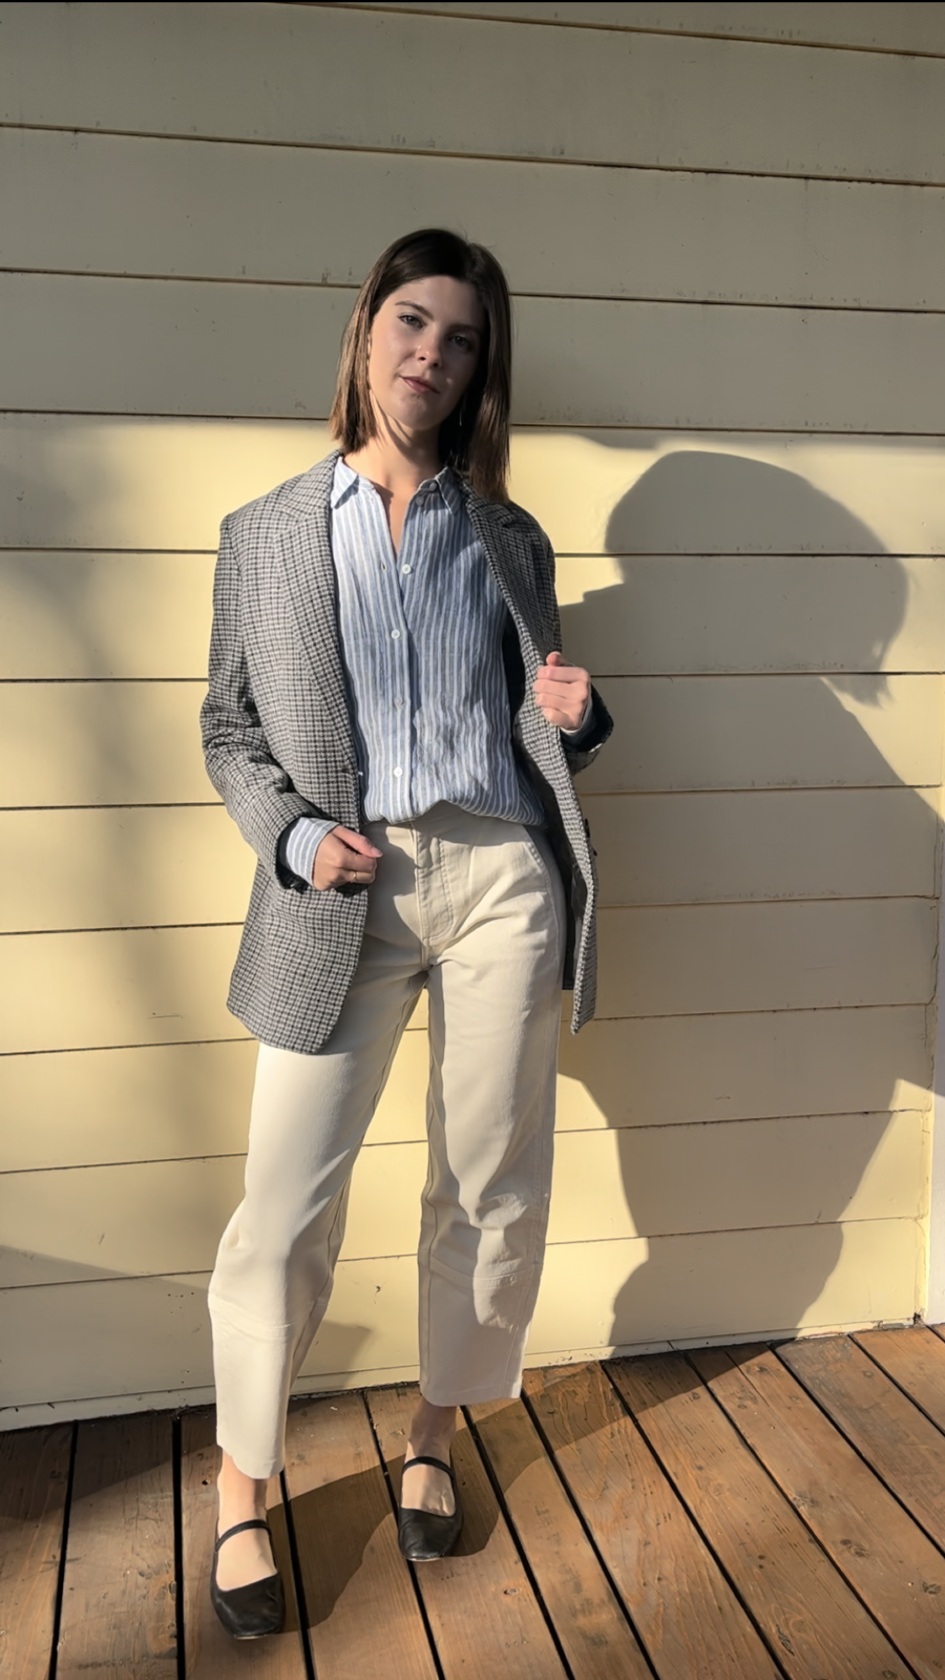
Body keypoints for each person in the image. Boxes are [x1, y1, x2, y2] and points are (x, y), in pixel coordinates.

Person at [199, 228, 612, 1639]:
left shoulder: (510, 536)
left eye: (462, 340)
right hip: (344, 891)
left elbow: (538, 719)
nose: (431, 354)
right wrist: (298, 837)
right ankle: (242, 1485)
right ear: (367, 328)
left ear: (480, 371)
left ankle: (434, 1431)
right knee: (284, 1208)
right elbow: (228, 728)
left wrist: (576, 718)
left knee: (490, 1178)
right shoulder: (265, 532)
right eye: (412, 323)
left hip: (501, 876)